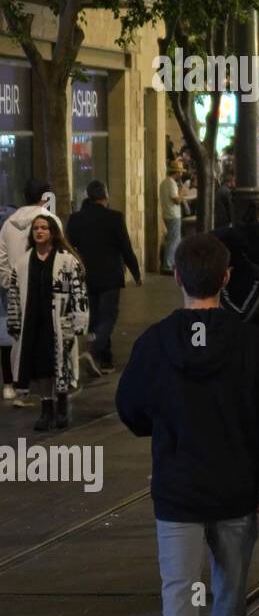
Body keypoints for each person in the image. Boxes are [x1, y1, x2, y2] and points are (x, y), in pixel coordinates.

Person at [116, 234, 259, 616]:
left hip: (178, 487)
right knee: (230, 592)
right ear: (226, 278)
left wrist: (156, 427)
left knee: (178, 591)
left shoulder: (154, 341)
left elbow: (129, 407)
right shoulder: (248, 342)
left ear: (176, 277)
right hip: (236, 488)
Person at [6, 213, 89, 431]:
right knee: (41, 366)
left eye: (44, 228)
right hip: (34, 322)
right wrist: (14, 321)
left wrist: (79, 320)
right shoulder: (22, 263)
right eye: (36, 229)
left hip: (60, 322)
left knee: (61, 365)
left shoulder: (67, 261)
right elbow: (14, 294)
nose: (39, 232)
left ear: (52, 232)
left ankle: (62, 405)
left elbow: (79, 293)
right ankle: (46, 409)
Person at [66, 180, 142, 375]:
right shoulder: (114, 217)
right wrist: (136, 273)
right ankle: (94, 351)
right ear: (105, 196)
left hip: (86, 275)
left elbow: (68, 246)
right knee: (109, 316)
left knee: (95, 317)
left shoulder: (76, 219)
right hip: (110, 275)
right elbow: (125, 247)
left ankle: (105, 359)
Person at [159, 160, 188, 273]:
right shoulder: (171, 183)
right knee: (173, 240)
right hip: (173, 215)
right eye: (180, 172)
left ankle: (170, 263)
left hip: (167, 214)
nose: (181, 174)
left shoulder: (164, 183)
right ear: (177, 172)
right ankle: (168, 265)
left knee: (173, 239)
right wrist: (183, 193)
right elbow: (177, 200)